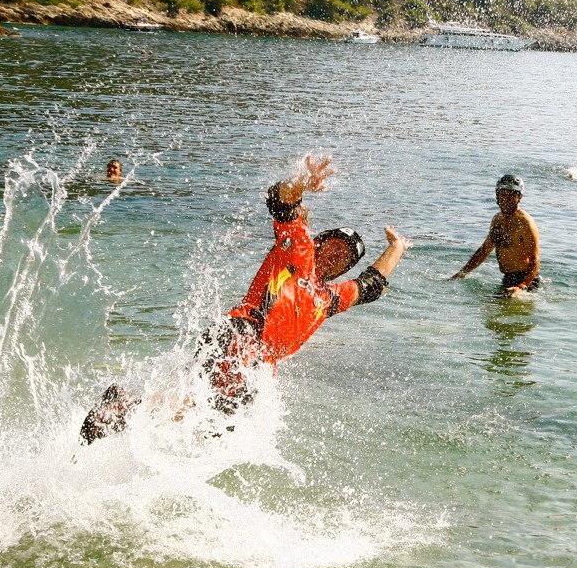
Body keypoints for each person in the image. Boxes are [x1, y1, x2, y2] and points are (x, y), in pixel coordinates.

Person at [80, 153, 411, 442]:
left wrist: (395, 249)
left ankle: (126, 407)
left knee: (213, 420)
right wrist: (300, 181)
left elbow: (372, 285)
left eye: (343, 259)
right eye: (333, 247)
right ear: (319, 241)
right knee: (206, 406)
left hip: (258, 362)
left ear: (344, 271)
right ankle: (125, 408)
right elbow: (282, 204)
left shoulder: (330, 298)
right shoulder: (298, 250)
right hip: (242, 336)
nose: (333, 258)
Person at [451, 174, 540, 296]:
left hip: (526, 281)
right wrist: (462, 273)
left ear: (519, 197)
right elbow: (484, 250)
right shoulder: (497, 220)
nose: (506, 200)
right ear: (497, 196)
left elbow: (535, 260)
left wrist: (521, 287)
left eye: (511, 196)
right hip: (508, 278)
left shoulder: (525, 223)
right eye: (503, 195)